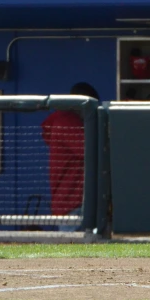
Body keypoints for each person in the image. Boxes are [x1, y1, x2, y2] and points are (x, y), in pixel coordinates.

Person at [42, 82, 99, 232]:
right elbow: (91, 150)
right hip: (72, 202)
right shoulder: (67, 121)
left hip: (74, 202)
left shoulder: (69, 120)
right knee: (74, 252)